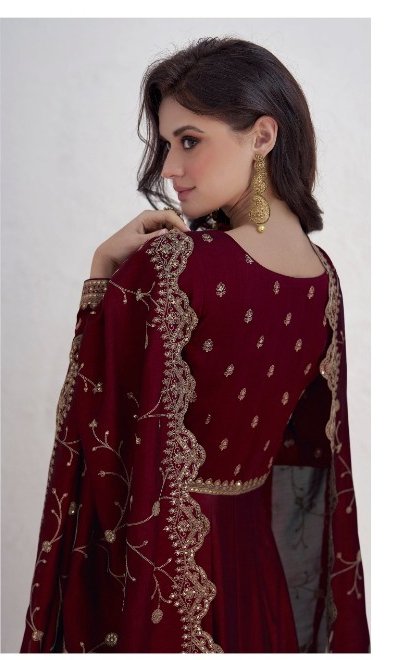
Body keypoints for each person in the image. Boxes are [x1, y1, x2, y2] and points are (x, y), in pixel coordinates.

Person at [20, 36, 370, 653]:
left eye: (189, 140)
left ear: (262, 136)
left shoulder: (174, 265)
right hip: (260, 580)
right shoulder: (325, 280)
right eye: (165, 145)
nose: (167, 169)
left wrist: (102, 273)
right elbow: (306, 456)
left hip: (167, 582)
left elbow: (92, 436)